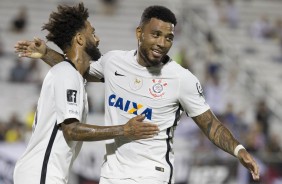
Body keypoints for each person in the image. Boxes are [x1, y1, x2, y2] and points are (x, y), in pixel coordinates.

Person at [15, 5, 260, 184]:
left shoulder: (181, 78)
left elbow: (210, 125)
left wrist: (238, 150)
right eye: (156, 35)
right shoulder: (113, 62)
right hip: (111, 175)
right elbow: (78, 69)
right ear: (139, 33)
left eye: (168, 37)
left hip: (150, 174)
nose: (162, 43)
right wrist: (46, 53)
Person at [13, 3, 159, 184]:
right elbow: (71, 130)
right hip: (42, 173)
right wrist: (124, 129)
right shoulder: (67, 74)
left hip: (43, 173)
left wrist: (46, 53)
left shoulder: (71, 74)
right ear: (80, 39)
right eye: (93, 33)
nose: (97, 39)